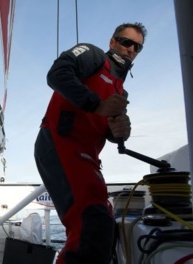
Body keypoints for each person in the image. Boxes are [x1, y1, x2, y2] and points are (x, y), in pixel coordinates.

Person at [34, 23, 147, 264]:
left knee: (104, 223)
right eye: (126, 42)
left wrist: (120, 133)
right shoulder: (93, 55)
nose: (130, 49)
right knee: (90, 223)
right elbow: (57, 74)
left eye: (137, 47)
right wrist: (97, 105)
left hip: (88, 158)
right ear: (113, 42)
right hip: (59, 142)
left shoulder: (121, 91)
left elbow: (109, 131)